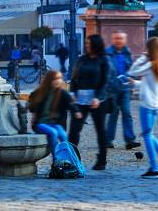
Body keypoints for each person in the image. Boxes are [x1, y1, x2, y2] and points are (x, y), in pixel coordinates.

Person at [127, 37, 158, 178]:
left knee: (147, 135)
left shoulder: (150, 64)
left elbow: (133, 70)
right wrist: (135, 84)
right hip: (155, 106)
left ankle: (154, 168)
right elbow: (149, 85)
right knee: (150, 134)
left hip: (146, 105)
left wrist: (142, 57)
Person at [67, 34, 114, 171]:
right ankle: (72, 159)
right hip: (80, 100)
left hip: (97, 101)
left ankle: (102, 160)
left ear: (96, 45)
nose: (87, 46)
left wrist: (98, 97)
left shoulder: (103, 60)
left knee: (100, 130)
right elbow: (74, 77)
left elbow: (105, 81)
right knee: (74, 131)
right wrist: (72, 93)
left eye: (89, 44)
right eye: (86, 44)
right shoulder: (82, 59)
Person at [26, 69, 74, 157]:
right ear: (49, 80)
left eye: (60, 78)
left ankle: (69, 160)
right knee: (53, 132)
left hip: (56, 124)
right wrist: (31, 103)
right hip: (40, 124)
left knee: (63, 135)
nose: (58, 81)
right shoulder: (39, 93)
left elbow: (71, 105)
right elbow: (31, 107)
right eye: (55, 78)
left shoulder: (62, 93)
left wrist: (77, 111)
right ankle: (56, 161)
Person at [103, 32, 138, 150]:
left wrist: (132, 85)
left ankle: (130, 140)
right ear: (113, 39)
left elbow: (131, 70)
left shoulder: (126, 52)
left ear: (124, 40)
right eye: (117, 38)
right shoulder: (108, 53)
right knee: (113, 114)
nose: (119, 40)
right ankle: (108, 140)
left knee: (127, 113)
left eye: (121, 38)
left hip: (125, 88)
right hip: (112, 89)